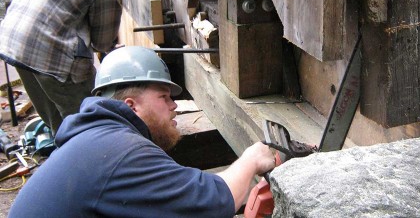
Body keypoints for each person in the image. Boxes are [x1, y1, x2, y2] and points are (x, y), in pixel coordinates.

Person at [8, 46, 276, 217]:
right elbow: (214, 202)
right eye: (163, 97)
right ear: (131, 105)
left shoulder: (97, 140)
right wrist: (252, 159)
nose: (174, 106)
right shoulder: (121, 151)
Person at [0, 0, 135, 134]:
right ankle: (92, 164)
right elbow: (103, 42)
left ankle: (66, 158)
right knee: (89, 123)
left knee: (59, 126)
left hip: (15, 46)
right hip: (52, 57)